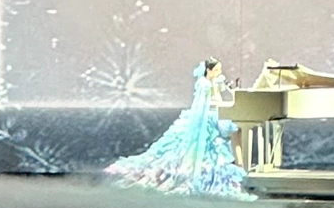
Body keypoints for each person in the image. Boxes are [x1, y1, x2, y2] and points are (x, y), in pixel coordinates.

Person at [105, 58, 252, 198]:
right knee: (230, 131)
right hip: (206, 115)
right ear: (209, 70)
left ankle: (241, 164)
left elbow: (218, 98)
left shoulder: (214, 81)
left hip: (216, 112)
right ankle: (237, 166)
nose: (220, 72)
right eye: (217, 69)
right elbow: (203, 104)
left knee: (235, 129)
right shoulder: (204, 84)